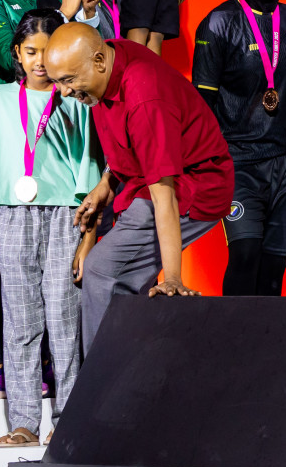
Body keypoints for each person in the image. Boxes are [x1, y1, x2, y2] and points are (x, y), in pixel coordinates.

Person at [44, 24, 235, 352]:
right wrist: (107, 183)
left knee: (102, 270)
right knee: (128, 281)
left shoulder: (144, 95)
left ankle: (99, 380)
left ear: (99, 62)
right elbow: (128, 143)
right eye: (58, 81)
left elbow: (165, 195)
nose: (63, 92)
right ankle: (138, 367)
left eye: (68, 80)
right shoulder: (110, 56)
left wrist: (173, 278)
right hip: (148, 183)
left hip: (194, 186)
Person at [0, 10, 103, 447]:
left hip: (67, 214)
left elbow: (88, 170)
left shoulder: (74, 98)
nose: (40, 62)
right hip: (12, 215)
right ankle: (24, 420)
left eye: (47, 52)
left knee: (65, 318)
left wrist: (88, 238)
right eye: (31, 52)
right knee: (21, 320)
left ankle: (67, 420)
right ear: (16, 53)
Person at [192, 0, 286, 297]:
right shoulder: (218, 23)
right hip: (240, 162)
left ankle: (267, 349)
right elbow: (203, 104)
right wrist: (209, 164)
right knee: (245, 255)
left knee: (276, 267)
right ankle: (233, 349)